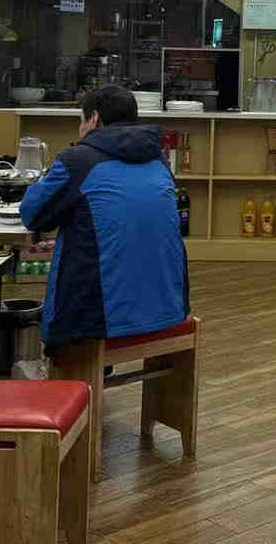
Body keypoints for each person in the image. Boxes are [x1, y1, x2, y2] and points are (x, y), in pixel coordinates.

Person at [20, 84, 188, 351]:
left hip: (97, 319)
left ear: (95, 119)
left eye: (82, 120)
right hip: (168, 306)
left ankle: (71, 371)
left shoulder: (79, 161)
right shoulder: (159, 161)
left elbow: (32, 215)